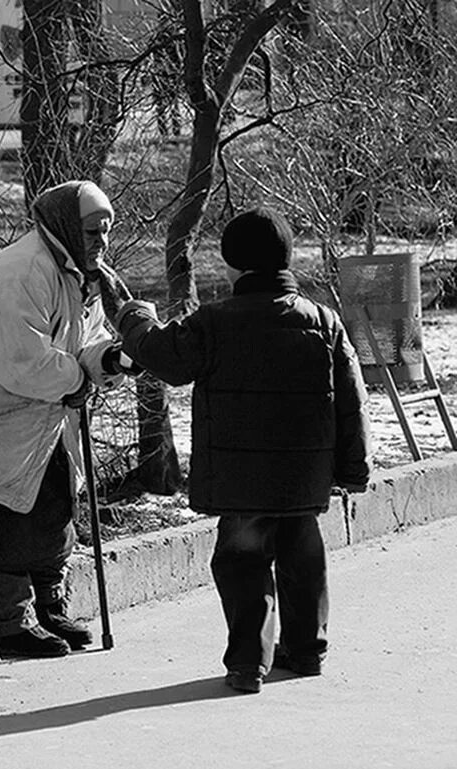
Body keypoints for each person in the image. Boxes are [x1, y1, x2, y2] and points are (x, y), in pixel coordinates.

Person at [101, 207, 371, 693]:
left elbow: (165, 357)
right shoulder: (324, 322)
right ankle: (307, 651)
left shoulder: (215, 322)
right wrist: (354, 469)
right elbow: (352, 401)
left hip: (241, 478)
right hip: (304, 475)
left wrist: (133, 315)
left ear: (233, 264)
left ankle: (248, 663)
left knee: (243, 564)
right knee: (303, 559)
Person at [0, 180, 134, 659]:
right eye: (91, 231)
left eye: (106, 231)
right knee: (0, 525)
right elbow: (22, 362)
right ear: (64, 226)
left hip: (38, 422)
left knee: (52, 510)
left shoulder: (79, 275)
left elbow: (88, 337)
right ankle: (9, 620)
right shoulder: (18, 276)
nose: (101, 242)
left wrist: (111, 359)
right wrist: (79, 378)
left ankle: (48, 607)